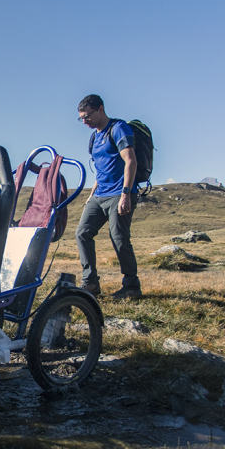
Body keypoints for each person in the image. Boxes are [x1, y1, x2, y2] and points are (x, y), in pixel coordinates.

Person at [75, 94, 142, 299]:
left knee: (119, 239)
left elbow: (130, 161)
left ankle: (131, 286)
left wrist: (126, 194)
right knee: (82, 233)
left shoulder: (118, 128)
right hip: (100, 194)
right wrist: (91, 195)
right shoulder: (94, 137)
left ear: (100, 109)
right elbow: (100, 169)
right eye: (81, 119)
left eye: (87, 116)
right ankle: (91, 283)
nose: (85, 122)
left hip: (118, 194)